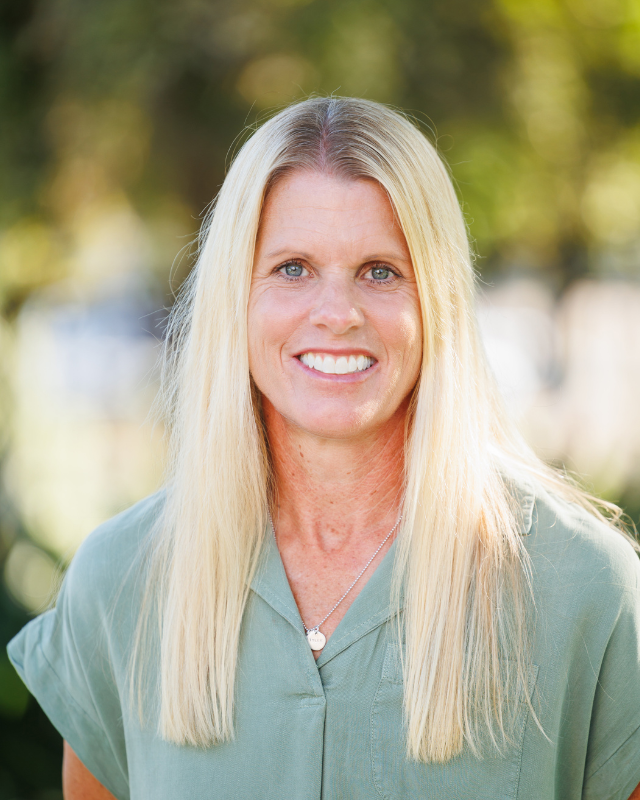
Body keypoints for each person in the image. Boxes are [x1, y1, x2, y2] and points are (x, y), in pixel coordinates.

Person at [8, 96, 640, 800]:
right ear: (234, 297)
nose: (337, 314)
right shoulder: (121, 582)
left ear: (439, 302)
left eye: (380, 271)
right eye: (292, 268)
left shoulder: (585, 591)